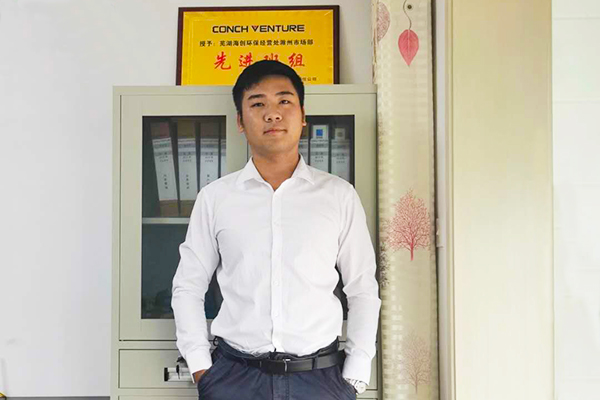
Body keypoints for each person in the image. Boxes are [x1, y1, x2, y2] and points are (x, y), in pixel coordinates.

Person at [172, 60, 381, 400]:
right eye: (258, 104)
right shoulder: (216, 198)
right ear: (240, 121)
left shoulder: (338, 196)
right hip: (234, 379)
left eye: (284, 101)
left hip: (321, 380)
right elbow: (188, 286)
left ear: (303, 116)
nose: (272, 114)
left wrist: (355, 375)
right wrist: (201, 369)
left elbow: (362, 288)